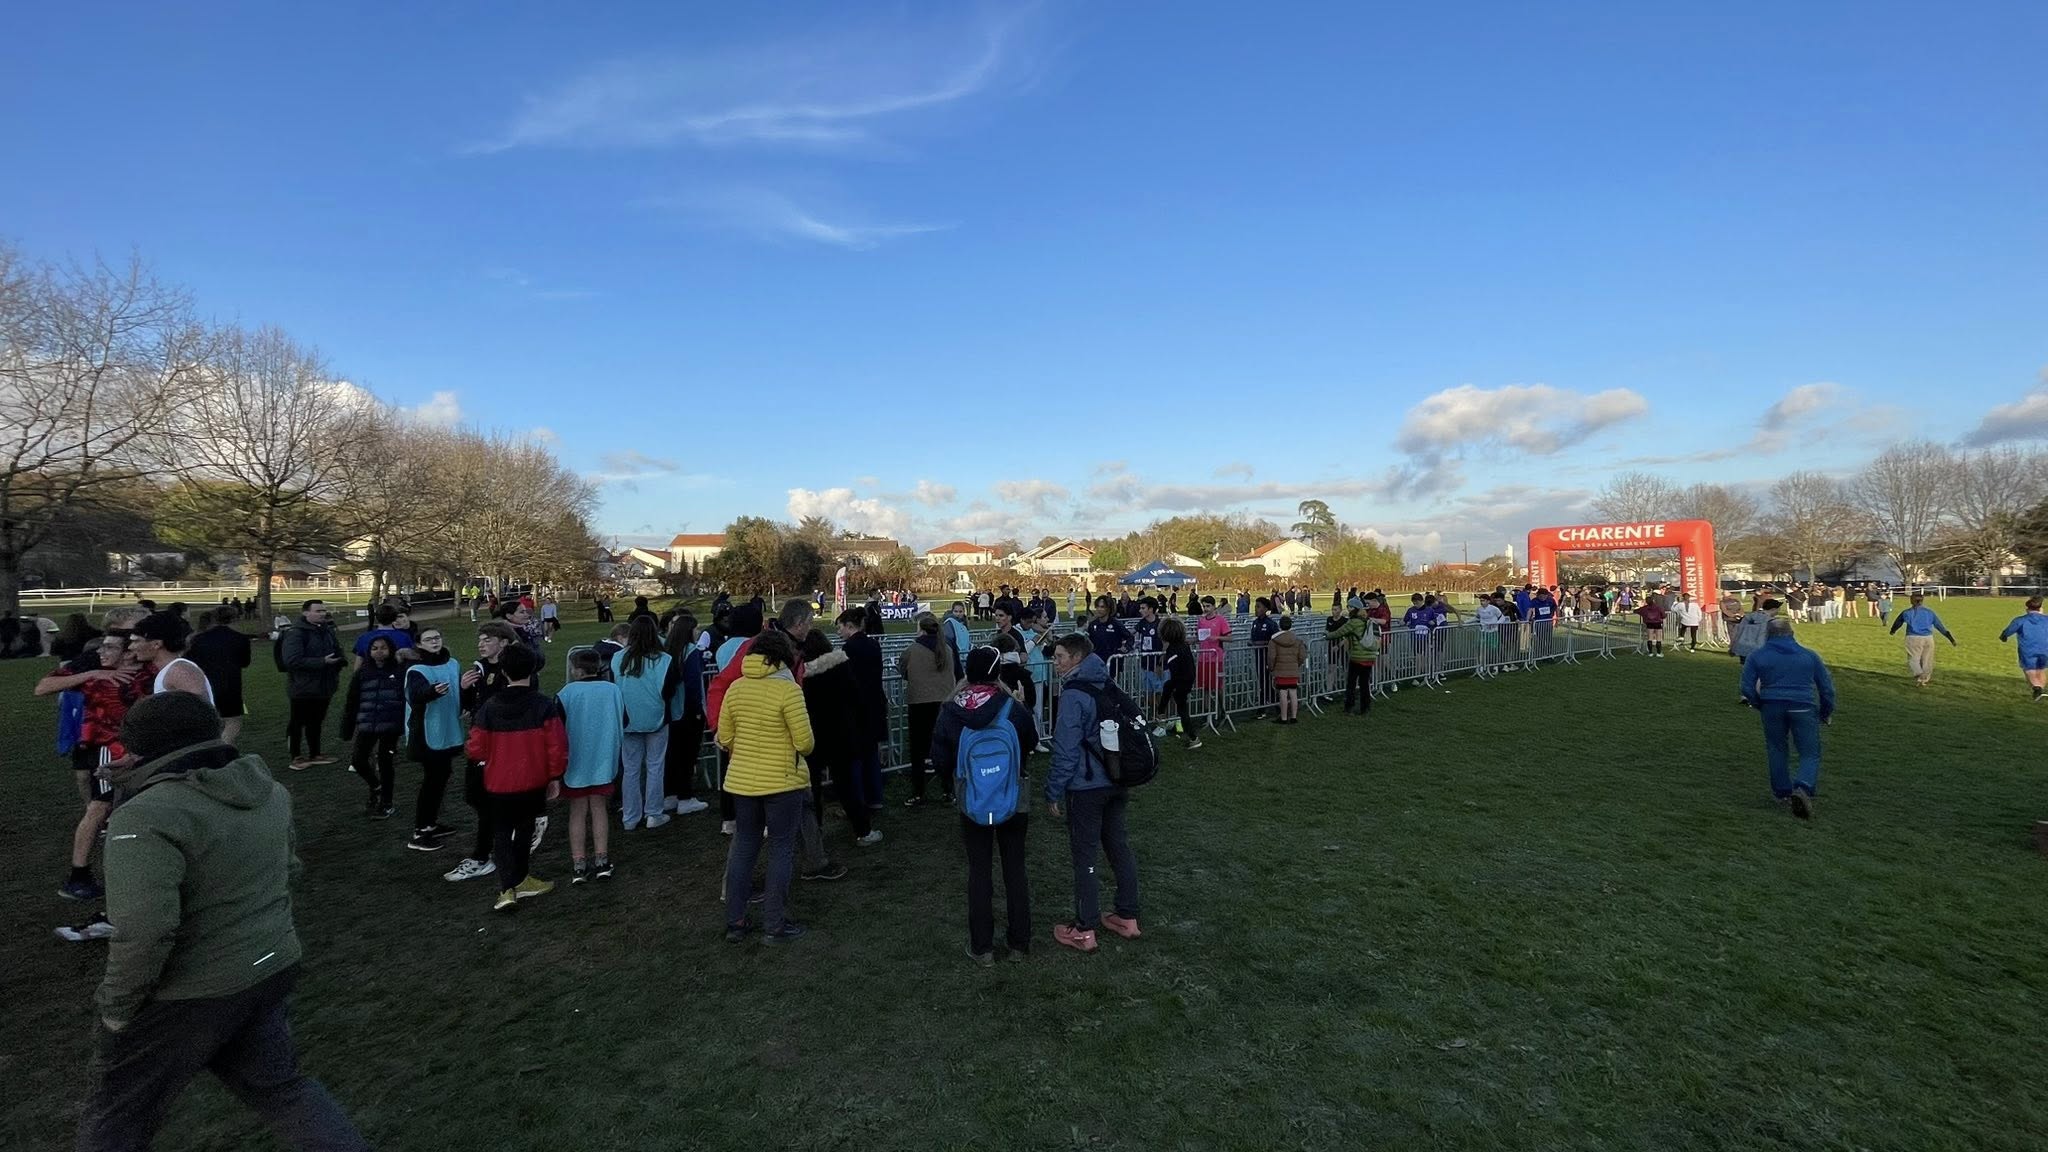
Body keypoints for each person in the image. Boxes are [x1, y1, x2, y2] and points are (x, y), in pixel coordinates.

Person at [79, 691, 369, 1152]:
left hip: (190, 994)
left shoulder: (144, 817)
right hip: (269, 966)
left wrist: (116, 1008)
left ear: (138, 748)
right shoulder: (270, 791)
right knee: (282, 1089)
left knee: (117, 1119)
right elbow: (289, 870)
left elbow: (146, 930)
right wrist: (138, 779)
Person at [929, 645, 1040, 964]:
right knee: (1014, 869)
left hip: (972, 797)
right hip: (1012, 794)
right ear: (997, 672)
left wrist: (956, 782)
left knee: (979, 871)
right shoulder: (1011, 706)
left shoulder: (951, 709)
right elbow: (1031, 741)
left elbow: (939, 758)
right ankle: (1019, 944)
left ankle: (983, 948)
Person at [716, 629, 815, 943]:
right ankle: (774, 924)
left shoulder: (736, 689)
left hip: (743, 783)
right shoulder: (788, 691)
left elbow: (725, 737)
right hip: (782, 782)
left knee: (745, 848)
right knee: (781, 850)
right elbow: (805, 742)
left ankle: (736, 922)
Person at [1046, 634, 1142, 954]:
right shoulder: (1107, 682)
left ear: (1076, 658)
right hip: (1117, 779)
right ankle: (1127, 915)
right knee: (1118, 846)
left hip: (1086, 785)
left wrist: (1053, 790)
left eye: (1060, 657)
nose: (1055, 663)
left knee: (1084, 855)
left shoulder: (1074, 694)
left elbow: (1066, 748)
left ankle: (1084, 928)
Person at [36, 625, 144, 902]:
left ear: (128, 653)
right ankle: (79, 875)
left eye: (110, 647)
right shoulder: (97, 676)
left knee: (115, 808)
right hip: (111, 750)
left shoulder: (145, 673)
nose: (101, 652)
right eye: (102, 646)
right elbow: (43, 687)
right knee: (100, 807)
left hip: (137, 751)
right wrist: (94, 673)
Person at [464, 643, 565, 912]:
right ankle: (519, 879)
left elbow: (476, 748)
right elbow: (557, 745)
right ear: (532, 670)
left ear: (504, 672)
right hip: (533, 780)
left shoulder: (490, 707)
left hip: (498, 782)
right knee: (524, 829)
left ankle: (508, 887)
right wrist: (555, 776)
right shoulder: (543, 705)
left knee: (501, 831)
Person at [443, 621, 522, 882]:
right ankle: (504, 832)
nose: (481, 644)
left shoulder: (514, 669)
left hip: (501, 743)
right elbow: (469, 708)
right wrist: (464, 690)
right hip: (480, 740)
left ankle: (482, 856)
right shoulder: (478, 669)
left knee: (487, 798)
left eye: (487, 640)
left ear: (504, 642)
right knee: (475, 796)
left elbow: (504, 702)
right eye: (480, 640)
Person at [1740, 616, 1836, 820]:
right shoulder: (1809, 656)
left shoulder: (1756, 656)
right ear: (1792, 633)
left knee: (1776, 748)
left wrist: (1759, 703)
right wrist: (1825, 712)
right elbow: (1826, 688)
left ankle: (1782, 792)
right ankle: (1803, 786)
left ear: (1767, 634)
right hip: (1803, 705)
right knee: (1809, 752)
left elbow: (1746, 687)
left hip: (1771, 705)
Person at [798, 629, 879, 847]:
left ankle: (814, 835)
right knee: (847, 786)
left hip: (813, 733)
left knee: (812, 787)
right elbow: (856, 696)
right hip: (841, 732)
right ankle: (863, 831)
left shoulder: (803, 674)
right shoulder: (841, 666)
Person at [557, 648, 623, 882]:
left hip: (576, 761)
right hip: (603, 759)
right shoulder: (612, 690)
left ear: (576, 670)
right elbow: (624, 719)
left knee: (577, 811)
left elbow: (558, 727)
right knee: (599, 808)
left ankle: (579, 863)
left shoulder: (566, 693)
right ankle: (602, 859)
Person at [402, 627, 465, 852]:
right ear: (419, 644)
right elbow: (415, 695)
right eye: (429, 639)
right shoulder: (416, 669)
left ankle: (430, 823)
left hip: (448, 729)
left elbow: (460, 691)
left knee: (441, 777)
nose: (435, 642)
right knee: (432, 780)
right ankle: (420, 832)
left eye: (437, 637)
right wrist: (432, 692)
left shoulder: (452, 664)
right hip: (426, 733)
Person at [611, 615, 675, 831]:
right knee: (655, 765)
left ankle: (630, 816)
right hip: (656, 717)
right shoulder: (664, 660)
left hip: (628, 718)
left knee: (631, 768)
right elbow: (669, 690)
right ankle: (653, 813)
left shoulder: (618, 658)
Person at [339, 636, 405, 818]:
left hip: (390, 725)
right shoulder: (362, 673)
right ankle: (376, 786)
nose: (379, 651)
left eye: (383, 648)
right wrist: (347, 727)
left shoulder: (400, 671)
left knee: (385, 763)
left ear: (391, 650)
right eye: (375, 648)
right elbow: (352, 700)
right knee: (358, 760)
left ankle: (386, 802)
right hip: (368, 723)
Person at [898, 612, 958, 807]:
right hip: (943, 702)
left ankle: (918, 792)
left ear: (921, 630)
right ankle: (948, 790)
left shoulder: (912, 650)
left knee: (918, 750)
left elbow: (903, 670)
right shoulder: (946, 649)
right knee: (943, 747)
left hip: (919, 703)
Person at [279, 601, 343, 770]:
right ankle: (296, 756)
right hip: (303, 686)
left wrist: (339, 660)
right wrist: (322, 661)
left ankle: (315, 753)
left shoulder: (326, 630)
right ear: (305, 613)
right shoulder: (296, 633)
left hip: (325, 685)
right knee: (297, 722)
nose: (322, 613)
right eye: (318, 611)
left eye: (323, 610)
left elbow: (335, 649)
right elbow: (291, 661)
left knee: (316, 721)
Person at [839, 608, 890, 815]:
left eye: (840, 627)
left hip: (856, 708)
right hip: (875, 704)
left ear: (849, 626)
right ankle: (875, 798)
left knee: (856, 757)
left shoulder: (848, 648)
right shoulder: (873, 645)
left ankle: (858, 801)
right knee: (871, 754)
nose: (839, 632)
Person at [660, 615, 712, 817]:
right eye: (696, 629)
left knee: (672, 754)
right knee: (688, 755)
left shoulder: (669, 650)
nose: (698, 632)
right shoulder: (691, 652)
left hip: (672, 710)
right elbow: (693, 684)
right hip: (688, 710)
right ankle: (685, 797)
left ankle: (670, 794)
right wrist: (698, 710)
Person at [185, 605, 252, 744]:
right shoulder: (240, 638)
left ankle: (220, 747)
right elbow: (245, 662)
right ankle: (222, 747)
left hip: (204, 684)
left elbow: (190, 661)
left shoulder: (198, 639)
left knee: (210, 720)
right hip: (230, 684)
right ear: (234, 619)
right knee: (233, 721)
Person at [1889, 592, 1957, 687]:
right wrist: (1950, 638)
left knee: (1913, 659)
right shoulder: (1930, 613)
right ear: (1922, 601)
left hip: (1913, 638)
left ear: (1911, 601)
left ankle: (1919, 673)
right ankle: (1923, 680)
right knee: (1927, 660)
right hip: (1928, 638)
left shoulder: (1907, 613)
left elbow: (1898, 623)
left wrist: (1893, 631)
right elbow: (1939, 626)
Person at [1156, 616, 1201, 748]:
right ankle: (1162, 714)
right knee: (1179, 705)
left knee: (1182, 709)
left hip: (1181, 681)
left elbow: (1175, 672)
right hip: (1186, 678)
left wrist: (1174, 686)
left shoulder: (1173, 651)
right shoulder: (1183, 645)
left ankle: (1193, 738)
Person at [1330, 607, 1378, 714]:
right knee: (1364, 683)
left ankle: (1349, 706)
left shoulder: (1353, 623)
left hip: (1357, 657)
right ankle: (1365, 707)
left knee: (1351, 683)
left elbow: (1339, 632)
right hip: (1369, 657)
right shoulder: (1368, 622)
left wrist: (1327, 635)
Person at [1999, 597, 2048, 701]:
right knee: (2041, 669)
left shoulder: (2020, 620)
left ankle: (2037, 690)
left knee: (2030, 670)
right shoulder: (2046, 619)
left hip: (2027, 649)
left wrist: (2004, 636)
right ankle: (2041, 690)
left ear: (2027, 609)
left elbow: (2008, 631)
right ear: (2040, 609)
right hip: (2045, 649)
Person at [350, 604, 415, 670]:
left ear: (376, 618)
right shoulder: (404, 637)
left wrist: (356, 675)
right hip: (395, 673)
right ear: (394, 618)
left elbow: (359, 660)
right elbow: (410, 659)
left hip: (370, 673)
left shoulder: (364, 637)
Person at [1269, 615, 1305, 724]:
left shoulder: (1274, 641)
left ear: (1280, 625)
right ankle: (1294, 717)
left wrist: (1271, 668)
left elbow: (1271, 657)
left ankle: (1283, 717)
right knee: (1293, 693)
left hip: (1280, 669)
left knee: (1283, 693)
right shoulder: (1297, 640)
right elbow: (1302, 656)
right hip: (1293, 669)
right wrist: (1297, 664)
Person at [942, 600, 974, 681]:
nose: (958, 614)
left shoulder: (964, 624)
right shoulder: (949, 623)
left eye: (960, 611)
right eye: (956, 611)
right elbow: (948, 639)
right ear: (952, 611)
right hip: (956, 657)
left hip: (965, 656)